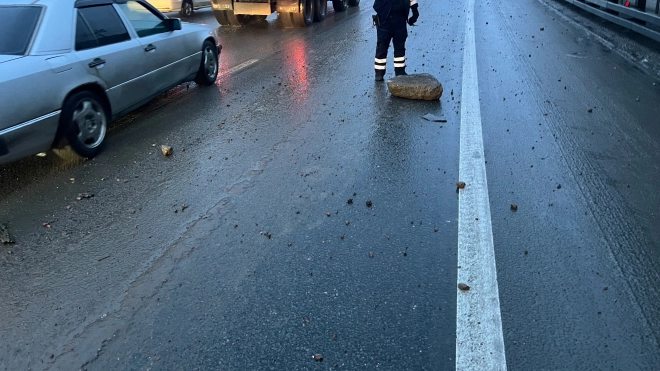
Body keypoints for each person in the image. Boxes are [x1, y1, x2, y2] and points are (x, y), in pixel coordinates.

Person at [373, 0, 419, 81]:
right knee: (382, 46)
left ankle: (400, 71)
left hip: (400, 18)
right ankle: (379, 72)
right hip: (384, 17)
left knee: (400, 46)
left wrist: (415, 10)